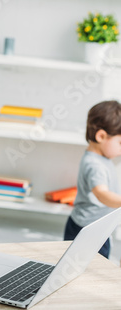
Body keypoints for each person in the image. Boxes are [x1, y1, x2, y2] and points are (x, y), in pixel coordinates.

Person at [64, 100, 121, 259]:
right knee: (91, 269)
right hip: (87, 231)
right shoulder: (95, 165)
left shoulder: (100, 158)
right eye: (120, 143)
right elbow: (102, 194)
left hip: (94, 227)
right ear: (101, 136)